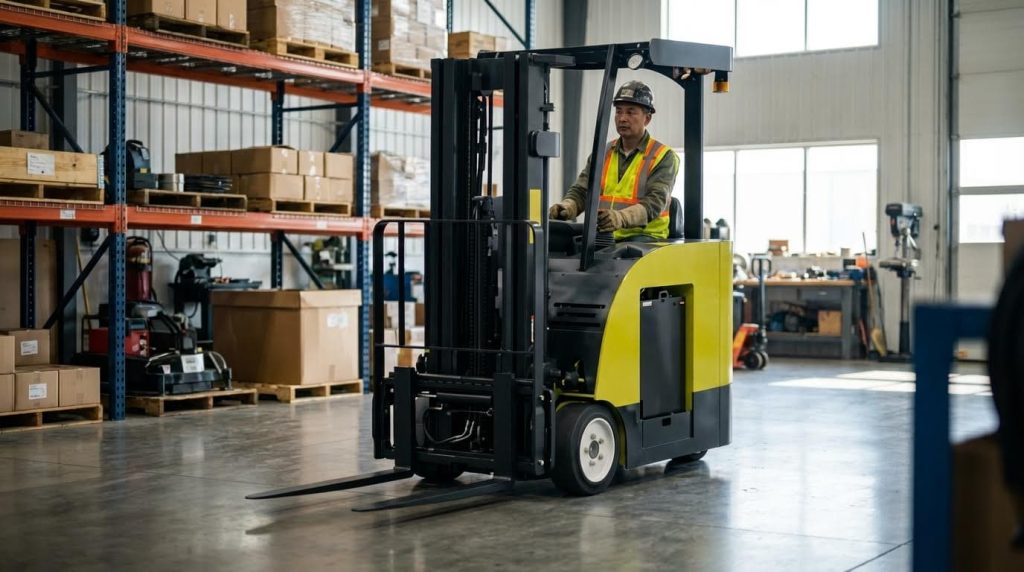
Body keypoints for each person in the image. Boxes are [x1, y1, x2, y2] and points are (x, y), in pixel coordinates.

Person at [549, 80, 680, 242]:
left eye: (630, 112)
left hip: (646, 238)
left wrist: (621, 218)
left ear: (647, 119)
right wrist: (568, 206)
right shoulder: (602, 153)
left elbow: (655, 202)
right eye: (618, 111)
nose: (622, 118)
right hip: (605, 235)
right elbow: (582, 190)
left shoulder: (663, 156)